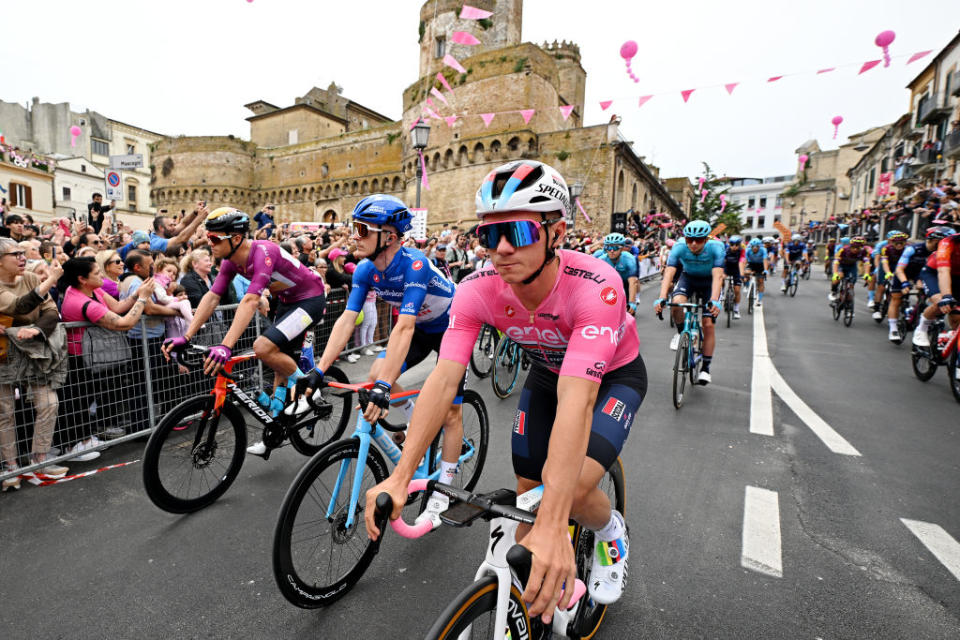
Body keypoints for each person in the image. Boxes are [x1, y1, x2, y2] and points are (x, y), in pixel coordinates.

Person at [363, 161, 645, 617]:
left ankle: (611, 532)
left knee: (567, 491)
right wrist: (400, 476)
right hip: (546, 373)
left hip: (612, 378)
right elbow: (443, 379)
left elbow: (579, 400)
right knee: (527, 489)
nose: (501, 249)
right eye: (488, 235)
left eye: (517, 231)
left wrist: (555, 524)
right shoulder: (476, 289)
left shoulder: (596, 286)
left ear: (557, 232)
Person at [298, 194, 465, 527]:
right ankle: (419, 427)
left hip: (451, 327)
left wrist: (385, 389)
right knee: (375, 371)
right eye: (354, 228)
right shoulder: (365, 270)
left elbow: (402, 326)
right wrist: (319, 369)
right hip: (420, 328)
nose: (354, 236)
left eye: (362, 229)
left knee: (449, 410)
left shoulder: (414, 264)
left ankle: (445, 488)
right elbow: (347, 319)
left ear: (388, 236)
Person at [163, 207, 327, 428]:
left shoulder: (263, 252)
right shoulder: (230, 261)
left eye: (214, 238)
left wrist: (225, 346)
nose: (209, 242)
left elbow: (249, 300)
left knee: (263, 347)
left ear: (237, 238)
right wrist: (188, 335)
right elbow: (212, 297)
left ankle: (309, 391)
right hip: (288, 302)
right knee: (277, 358)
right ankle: (276, 427)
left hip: (310, 299)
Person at [59, 258, 156, 456]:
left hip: (94, 357)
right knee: (79, 402)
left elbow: (118, 307)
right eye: (96, 273)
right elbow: (124, 322)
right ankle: (78, 445)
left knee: (85, 399)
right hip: (81, 359)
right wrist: (143, 299)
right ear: (82, 279)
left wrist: (137, 293)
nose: (102, 275)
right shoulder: (82, 301)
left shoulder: (93, 289)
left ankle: (84, 440)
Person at [0, 238, 67, 490]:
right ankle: (11, 468)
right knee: (4, 412)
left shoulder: (29, 277)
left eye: (22, 253)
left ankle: (40, 460)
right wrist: (50, 280)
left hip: (32, 351)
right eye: (14, 254)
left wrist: (36, 329)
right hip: (4, 354)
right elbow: (21, 305)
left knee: (49, 403)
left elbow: (51, 311)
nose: (21, 257)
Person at [654, 220, 724, 384]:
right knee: (676, 303)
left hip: (709, 282)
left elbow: (718, 276)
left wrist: (714, 300)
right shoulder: (679, 246)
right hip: (689, 278)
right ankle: (680, 333)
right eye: (689, 239)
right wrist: (662, 297)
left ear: (706, 239)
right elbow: (669, 273)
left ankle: (705, 368)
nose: (693, 244)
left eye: (698, 240)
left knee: (708, 323)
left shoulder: (716, 248)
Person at [912, 228, 960, 347]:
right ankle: (922, 328)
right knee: (941, 303)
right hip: (935, 272)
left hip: (958, 276)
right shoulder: (948, 242)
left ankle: (952, 338)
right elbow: (943, 271)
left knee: (956, 316)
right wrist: (947, 296)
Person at [592, 233, 639, 313]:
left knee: (628, 312)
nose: (612, 250)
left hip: (625, 283)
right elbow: (594, 281)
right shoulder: (601, 260)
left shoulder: (629, 259)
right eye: (609, 247)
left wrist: (632, 302)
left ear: (621, 248)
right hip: (609, 284)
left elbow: (633, 282)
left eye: (615, 247)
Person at [830, 236, 871, 306]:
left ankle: (848, 305)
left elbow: (867, 263)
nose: (855, 249)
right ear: (850, 246)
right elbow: (836, 262)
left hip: (852, 266)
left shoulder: (864, 251)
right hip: (841, 265)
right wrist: (835, 274)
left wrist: (867, 274)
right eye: (853, 247)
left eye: (858, 248)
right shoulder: (843, 250)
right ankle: (833, 292)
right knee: (839, 277)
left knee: (851, 285)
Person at [723, 235, 746, 318]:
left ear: (739, 245)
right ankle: (722, 292)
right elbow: (722, 261)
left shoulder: (742, 251)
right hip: (727, 268)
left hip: (737, 270)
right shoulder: (726, 250)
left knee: (737, 290)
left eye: (736, 245)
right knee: (720, 278)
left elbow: (741, 263)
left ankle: (736, 309)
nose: (734, 247)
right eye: (732, 244)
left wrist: (742, 275)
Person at [744, 238, 770, 307]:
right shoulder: (748, 250)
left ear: (759, 246)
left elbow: (765, 260)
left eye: (757, 247)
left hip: (760, 265)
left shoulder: (763, 250)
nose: (755, 248)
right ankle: (746, 285)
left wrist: (765, 270)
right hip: (751, 264)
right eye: (753, 247)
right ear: (751, 246)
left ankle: (759, 300)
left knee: (760, 281)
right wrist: (742, 269)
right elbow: (745, 261)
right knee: (746, 273)